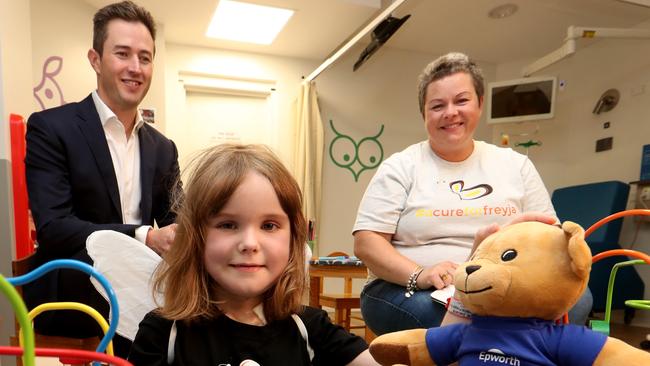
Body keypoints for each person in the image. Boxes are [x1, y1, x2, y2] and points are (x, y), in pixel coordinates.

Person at [352, 52, 592, 336]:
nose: (450, 112)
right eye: (437, 105)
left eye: (461, 101)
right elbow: (367, 243)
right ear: (424, 114)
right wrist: (421, 274)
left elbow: (550, 236)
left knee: (578, 302)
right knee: (460, 319)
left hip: (506, 280)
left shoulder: (516, 165)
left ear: (479, 104)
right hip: (407, 287)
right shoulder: (401, 166)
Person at [24, 1, 180, 356]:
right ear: (95, 59)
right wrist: (145, 236)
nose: (135, 68)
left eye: (145, 57)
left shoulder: (163, 148)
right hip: (77, 292)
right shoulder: (51, 128)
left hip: (143, 291)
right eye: (122, 54)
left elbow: (176, 222)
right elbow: (55, 228)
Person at [128, 144, 378, 366]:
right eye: (228, 225)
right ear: (196, 237)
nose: (249, 243)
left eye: (269, 226)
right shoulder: (163, 333)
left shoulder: (311, 328)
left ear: (293, 239)